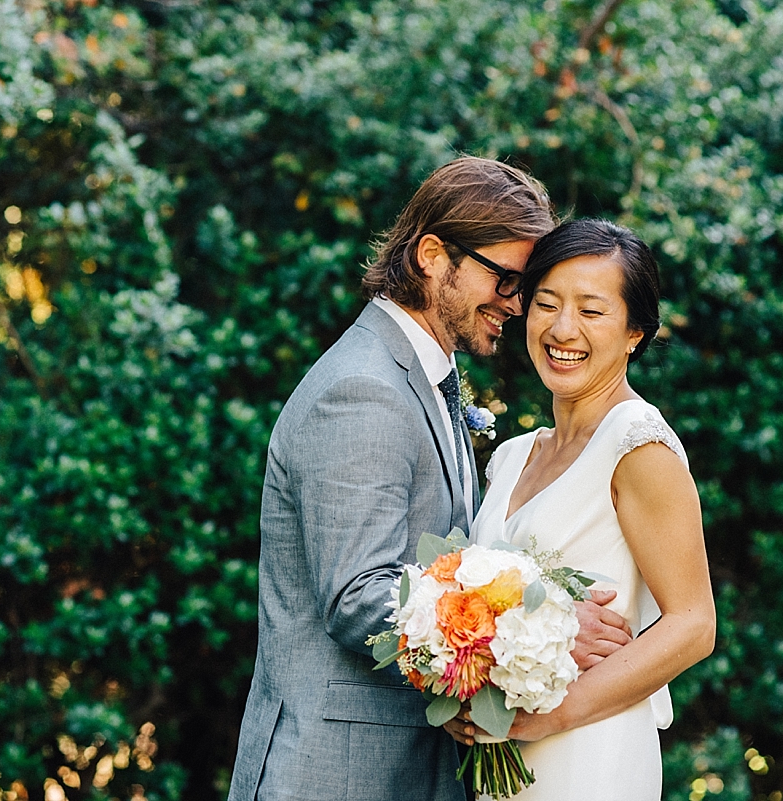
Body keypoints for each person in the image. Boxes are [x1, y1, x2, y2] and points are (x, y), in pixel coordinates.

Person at [228, 160, 634, 801]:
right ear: (431, 255)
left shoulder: (423, 379)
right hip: (337, 773)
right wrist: (542, 626)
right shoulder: (363, 390)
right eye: (504, 279)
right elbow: (357, 597)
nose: (516, 304)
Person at [450, 218, 717, 799]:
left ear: (635, 333)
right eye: (546, 303)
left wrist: (556, 715)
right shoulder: (513, 456)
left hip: (591, 752)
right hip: (503, 756)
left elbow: (693, 625)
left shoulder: (637, 444)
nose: (562, 328)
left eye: (592, 311)